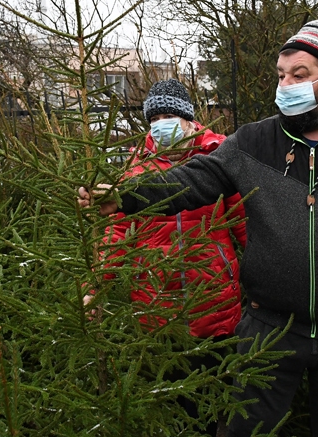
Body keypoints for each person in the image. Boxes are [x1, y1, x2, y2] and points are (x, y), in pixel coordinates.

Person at [79, 19, 318, 437]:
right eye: (281, 75)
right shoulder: (253, 143)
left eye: (299, 76)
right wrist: (123, 195)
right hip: (269, 329)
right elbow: (193, 178)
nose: (286, 85)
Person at [89, 78, 246, 436]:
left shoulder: (218, 162)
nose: (162, 123)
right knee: (177, 410)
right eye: (155, 117)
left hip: (215, 306)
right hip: (157, 310)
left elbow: (246, 225)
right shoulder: (134, 171)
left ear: (191, 120)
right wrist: (94, 286)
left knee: (218, 404)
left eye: (171, 115)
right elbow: (116, 236)